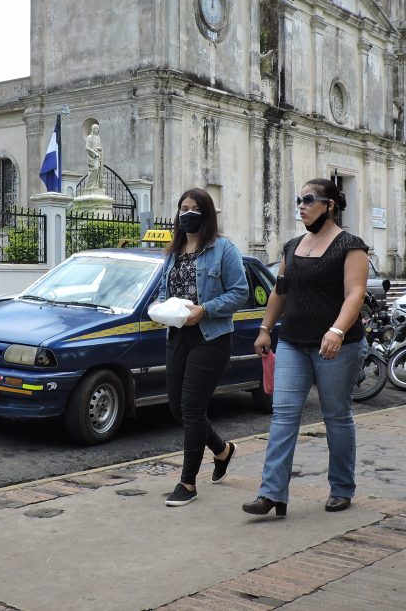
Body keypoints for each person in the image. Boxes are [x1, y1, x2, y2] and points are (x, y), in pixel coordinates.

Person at [243, 178, 368, 517]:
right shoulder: (292, 246)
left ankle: (341, 488)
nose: (302, 205)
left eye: (309, 199)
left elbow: (355, 294)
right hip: (293, 343)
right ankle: (272, 494)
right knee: (283, 415)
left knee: (336, 416)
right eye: (299, 199)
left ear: (329, 205)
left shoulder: (350, 245)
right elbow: (280, 292)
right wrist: (265, 329)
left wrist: (337, 330)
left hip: (336, 345)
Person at [156, 187, 249, 507]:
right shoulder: (173, 251)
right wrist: (161, 310)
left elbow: (240, 292)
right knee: (177, 409)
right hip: (177, 335)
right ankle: (223, 451)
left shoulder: (223, 249)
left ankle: (187, 483)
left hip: (211, 338)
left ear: (206, 214)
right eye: (183, 207)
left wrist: (205, 309)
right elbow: (161, 292)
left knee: (193, 410)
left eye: (194, 208)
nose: (187, 213)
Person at [84, 124, 104, 191]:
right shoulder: (89, 137)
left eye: (98, 128)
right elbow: (87, 148)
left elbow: (99, 146)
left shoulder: (98, 137)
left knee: (98, 170)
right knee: (94, 169)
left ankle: (95, 185)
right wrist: (95, 153)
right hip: (92, 157)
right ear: (93, 129)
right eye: (96, 128)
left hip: (97, 156)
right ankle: (89, 186)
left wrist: (100, 149)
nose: (97, 130)